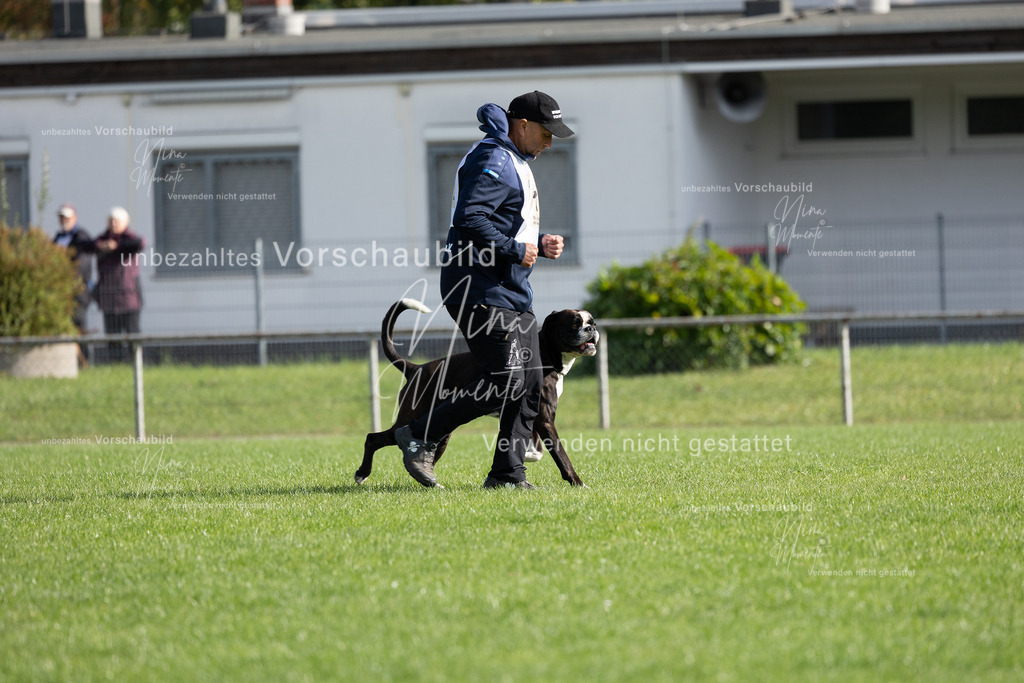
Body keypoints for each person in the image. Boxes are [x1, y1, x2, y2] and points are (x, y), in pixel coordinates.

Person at [396, 90, 573, 489]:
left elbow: (502, 221)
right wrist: (515, 249)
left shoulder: (514, 158)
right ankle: (419, 433)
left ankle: (507, 475)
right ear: (523, 125)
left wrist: (538, 243)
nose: (549, 143)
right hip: (477, 287)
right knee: (509, 378)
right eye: (546, 134)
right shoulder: (493, 157)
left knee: (529, 380)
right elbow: (470, 218)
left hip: (508, 288)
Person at [92, 206, 144, 360]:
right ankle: (116, 364)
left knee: (132, 333)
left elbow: (140, 242)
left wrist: (116, 246)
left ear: (124, 223)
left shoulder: (129, 239)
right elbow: (90, 245)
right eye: (111, 221)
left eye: (117, 221)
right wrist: (103, 246)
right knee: (112, 335)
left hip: (129, 298)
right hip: (109, 297)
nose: (113, 224)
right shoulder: (102, 239)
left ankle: (136, 362)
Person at [51, 202, 93, 333]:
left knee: (79, 325)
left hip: (77, 291)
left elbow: (81, 265)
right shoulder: (58, 238)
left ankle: (84, 353)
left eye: (67, 217)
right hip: (61, 290)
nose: (64, 220)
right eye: (62, 217)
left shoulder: (81, 236)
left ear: (75, 218)